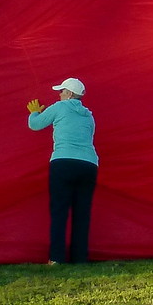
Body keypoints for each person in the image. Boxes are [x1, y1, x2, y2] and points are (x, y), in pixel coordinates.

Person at [26, 77, 99, 264]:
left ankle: (56, 258)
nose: (59, 94)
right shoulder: (89, 115)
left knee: (59, 211)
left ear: (69, 94)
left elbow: (35, 125)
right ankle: (80, 258)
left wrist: (33, 113)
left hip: (63, 162)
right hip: (89, 164)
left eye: (62, 91)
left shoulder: (60, 107)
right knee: (82, 213)